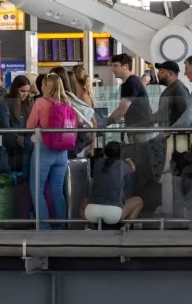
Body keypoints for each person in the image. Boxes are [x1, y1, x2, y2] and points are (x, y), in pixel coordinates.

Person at [26, 71, 78, 224]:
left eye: (42, 84)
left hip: (44, 149)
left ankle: (44, 227)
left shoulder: (41, 102)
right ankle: (61, 227)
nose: (40, 86)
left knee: (37, 190)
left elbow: (29, 126)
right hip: (63, 151)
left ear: (47, 86)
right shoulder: (67, 102)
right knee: (57, 191)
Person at [84, 139, 141, 226]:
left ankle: (90, 227)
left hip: (92, 212)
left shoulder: (97, 163)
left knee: (83, 201)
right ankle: (127, 226)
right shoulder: (122, 165)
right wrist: (128, 159)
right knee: (139, 201)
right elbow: (133, 168)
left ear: (105, 152)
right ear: (120, 154)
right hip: (113, 214)